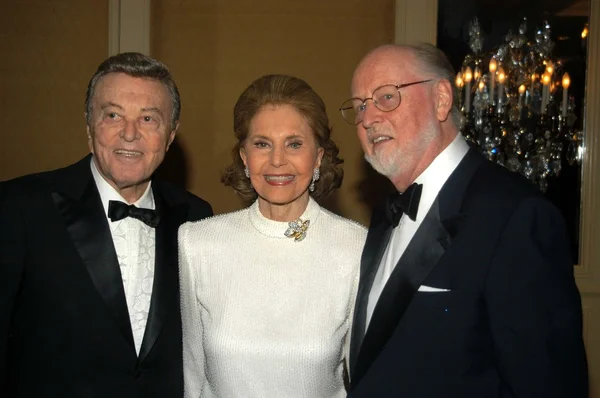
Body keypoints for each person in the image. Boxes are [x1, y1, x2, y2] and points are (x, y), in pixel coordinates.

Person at [340, 43, 588, 397]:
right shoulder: (384, 214)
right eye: (361, 105)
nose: (367, 118)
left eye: (386, 97)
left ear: (441, 99)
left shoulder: (516, 216)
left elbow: (548, 384)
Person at [0, 52, 213, 397]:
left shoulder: (196, 217)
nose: (129, 134)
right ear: (88, 125)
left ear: (170, 135)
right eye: (113, 115)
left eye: (148, 119)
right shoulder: (21, 207)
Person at [179, 74, 367, 397]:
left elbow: (365, 379)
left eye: (294, 144)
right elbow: (192, 378)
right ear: (244, 157)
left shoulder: (355, 247)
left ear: (319, 156)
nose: (277, 161)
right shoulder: (197, 244)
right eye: (262, 144)